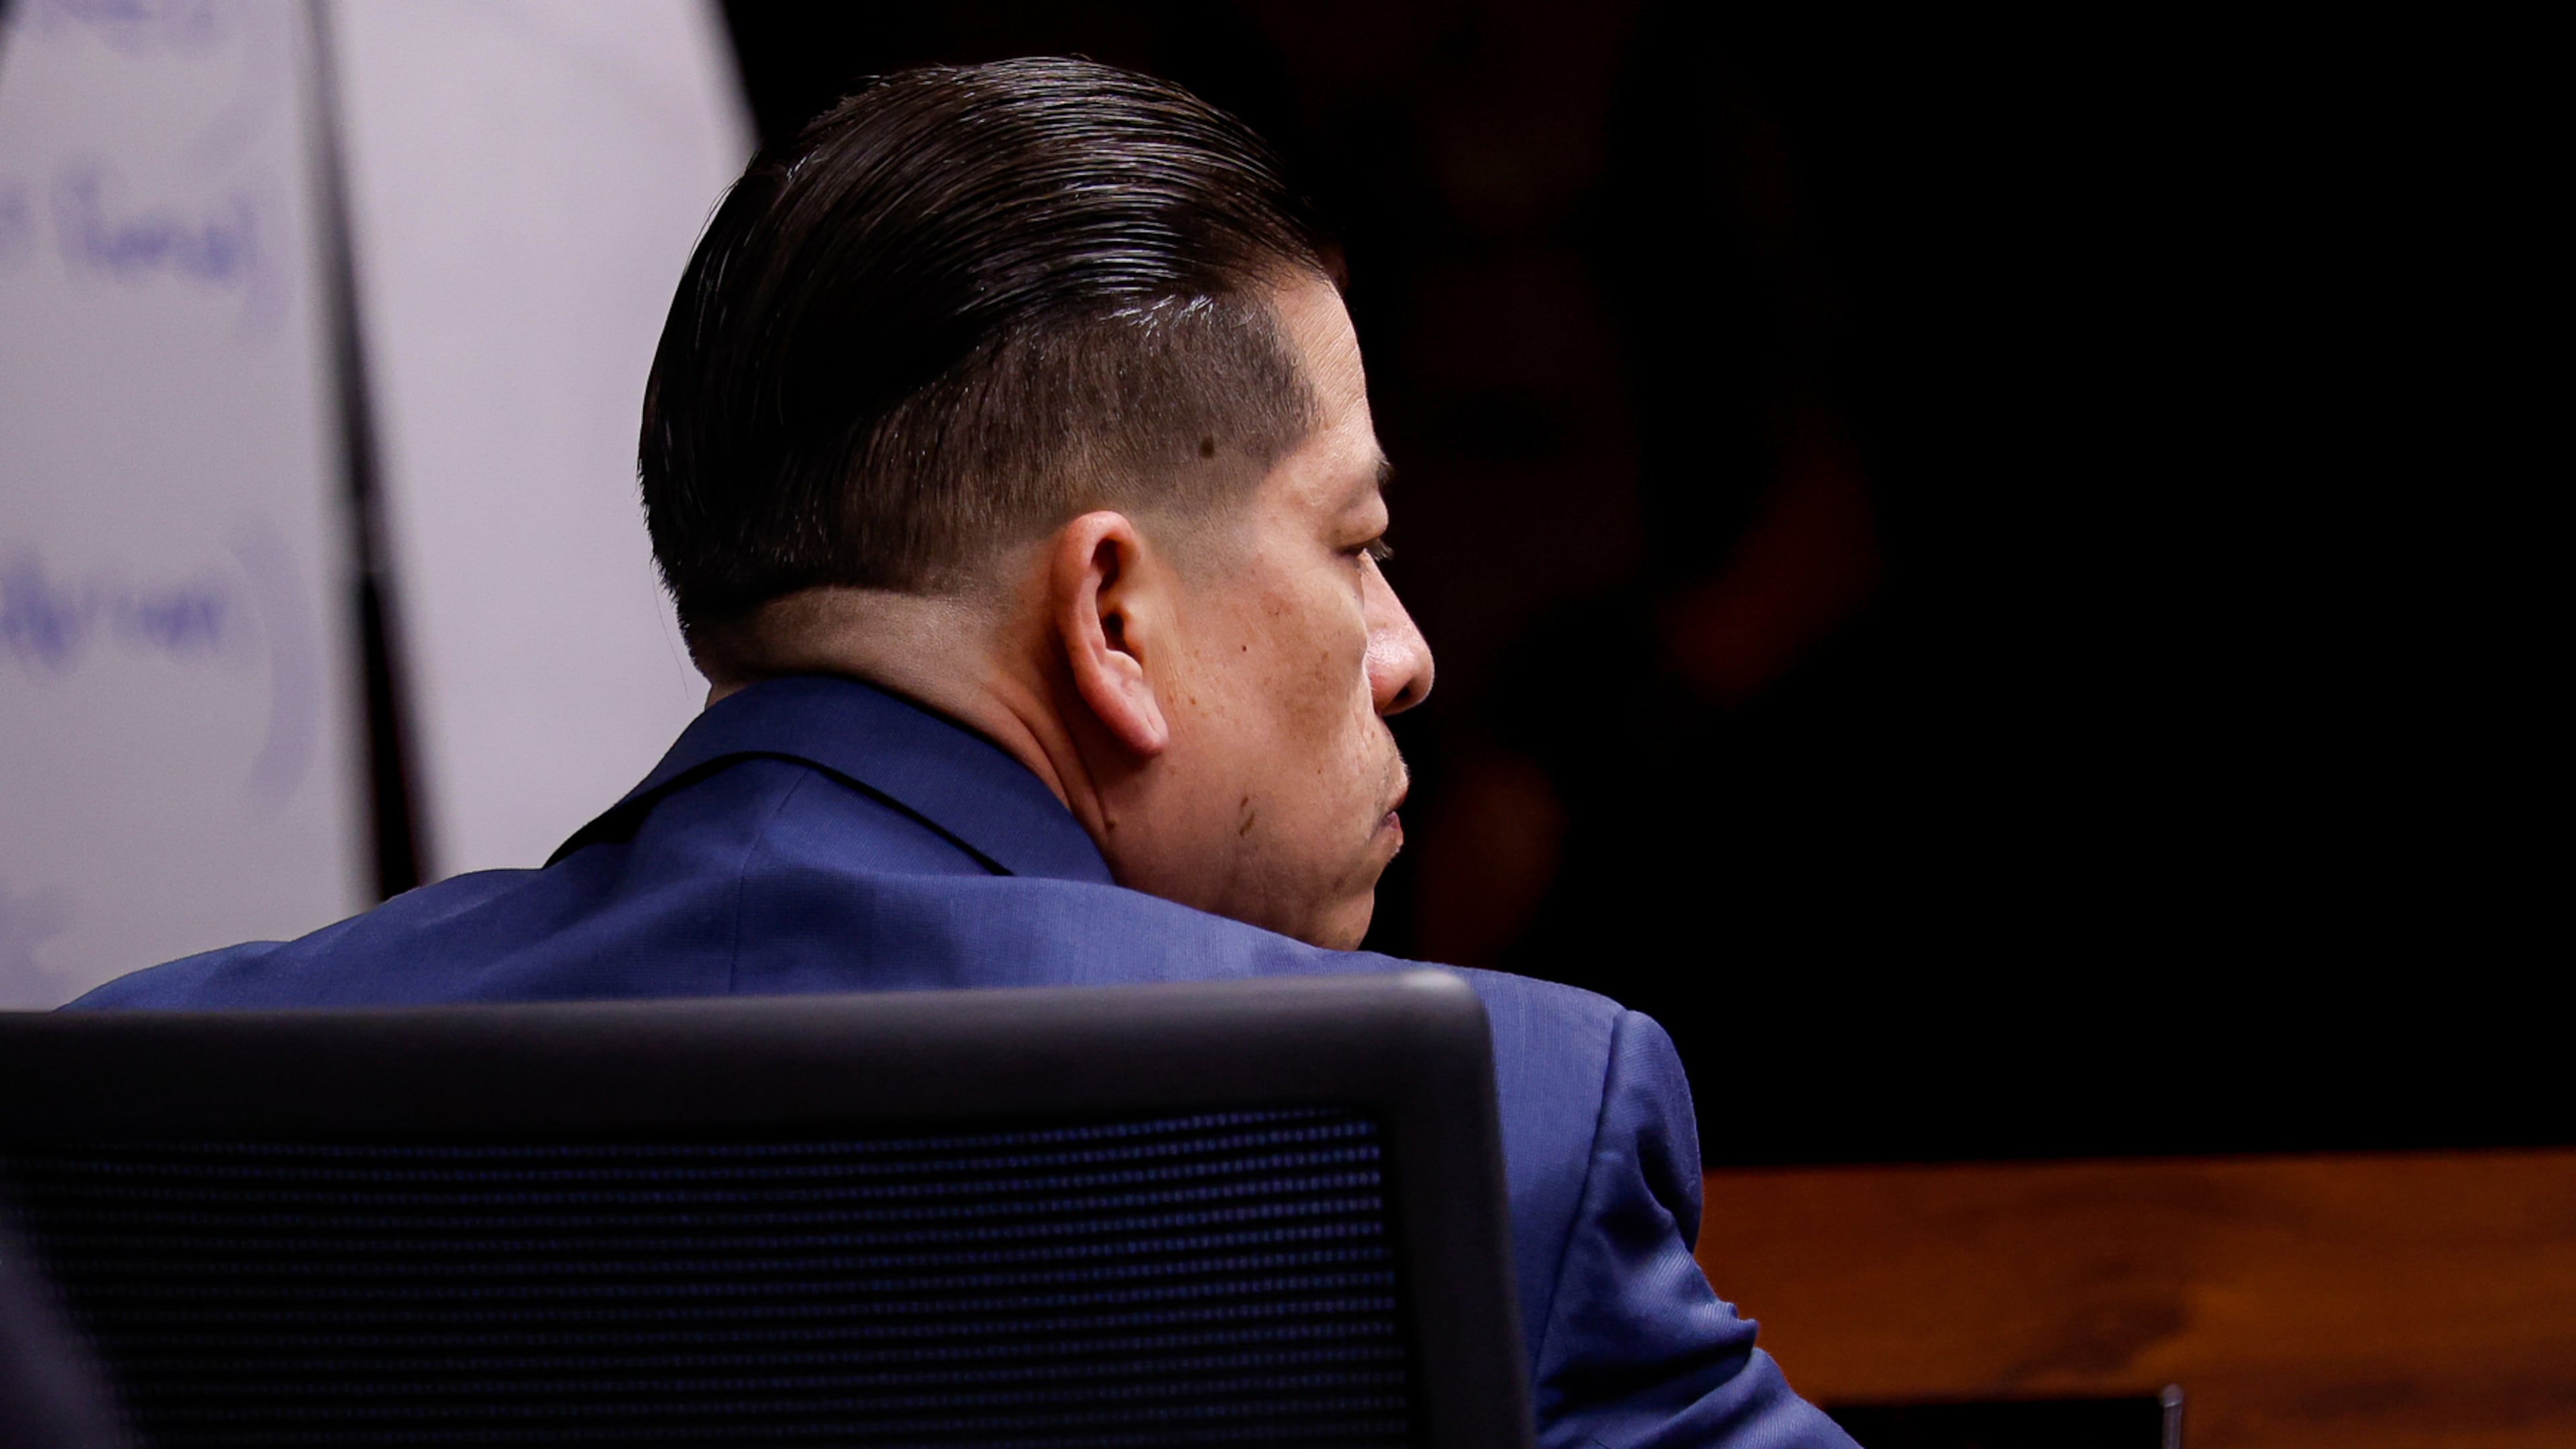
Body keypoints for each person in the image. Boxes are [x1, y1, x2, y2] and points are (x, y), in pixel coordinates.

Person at [74, 58, 1854, 1449]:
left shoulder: (116, 1126)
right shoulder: (1491, 1139)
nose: (1408, 652)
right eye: (1354, 540)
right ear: (1111, 619)